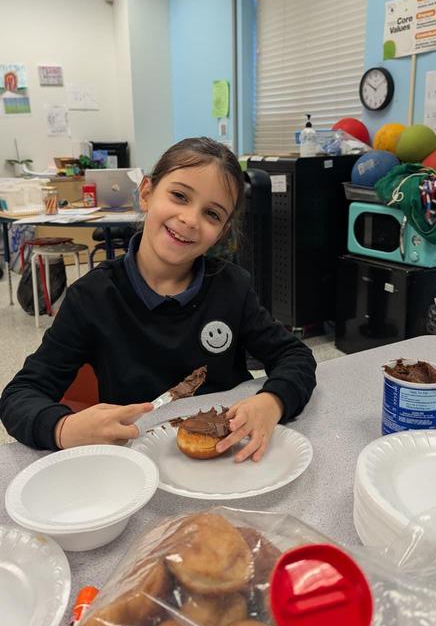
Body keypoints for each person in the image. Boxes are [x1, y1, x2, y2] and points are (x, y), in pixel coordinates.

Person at [0, 138, 316, 461]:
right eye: (179, 196)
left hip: (227, 461)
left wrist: (272, 401)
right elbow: (19, 395)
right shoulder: (92, 298)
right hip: (136, 467)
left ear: (221, 233)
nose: (190, 219)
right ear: (147, 193)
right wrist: (63, 428)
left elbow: (296, 357)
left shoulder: (231, 287)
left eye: (211, 214)